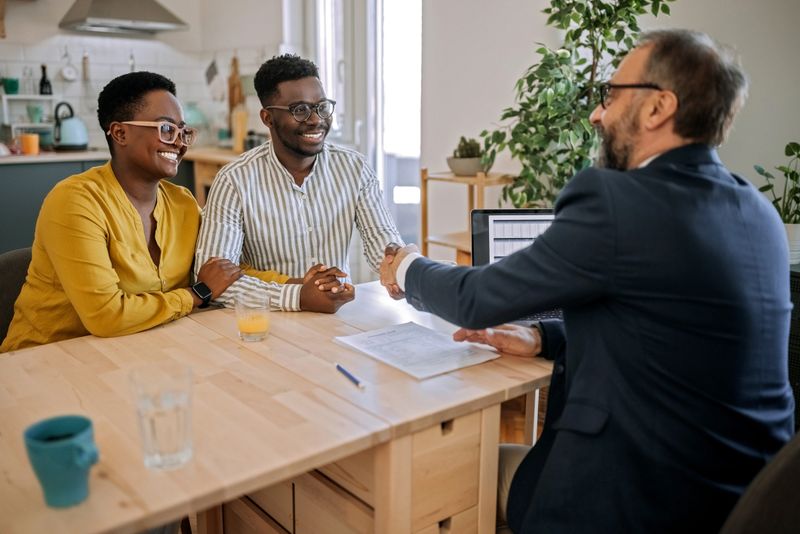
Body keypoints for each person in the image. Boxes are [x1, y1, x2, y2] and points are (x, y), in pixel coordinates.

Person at [380, 29, 795, 533]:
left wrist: (405, 263)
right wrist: (543, 336)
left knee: (443, 474)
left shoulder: (617, 200)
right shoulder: (757, 212)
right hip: (737, 501)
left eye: (611, 95)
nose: (598, 114)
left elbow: (476, 299)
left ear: (657, 107)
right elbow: (668, 328)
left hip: (633, 504)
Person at [1, 72, 245, 352]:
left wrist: (296, 288)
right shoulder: (75, 201)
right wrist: (197, 293)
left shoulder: (184, 203)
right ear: (120, 133)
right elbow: (106, 316)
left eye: (184, 132)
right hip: (45, 359)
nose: (179, 143)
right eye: (167, 129)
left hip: (137, 349)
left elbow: (226, 266)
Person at [194, 54, 403, 313]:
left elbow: (381, 241)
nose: (316, 120)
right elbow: (213, 280)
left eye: (322, 106)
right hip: (265, 325)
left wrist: (398, 267)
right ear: (267, 118)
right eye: (300, 110)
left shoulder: (355, 169)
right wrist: (298, 296)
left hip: (336, 318)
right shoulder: (234, 180)